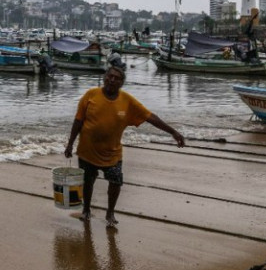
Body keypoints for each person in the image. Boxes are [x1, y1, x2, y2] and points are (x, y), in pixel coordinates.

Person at [64, 65, 185, 227]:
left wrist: (173, 132)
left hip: (112, 153)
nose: (112, 80)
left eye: (117, 78)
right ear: (104, 77)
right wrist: (70, 144)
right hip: (87, 151)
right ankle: (86, 210)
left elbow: (150, 117)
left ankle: (110, 212)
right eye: (110, 76)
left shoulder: (127, 101)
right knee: (87, 182)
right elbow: (78, 121)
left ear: (121, 83)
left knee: (116, 181)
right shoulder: (90, 95)